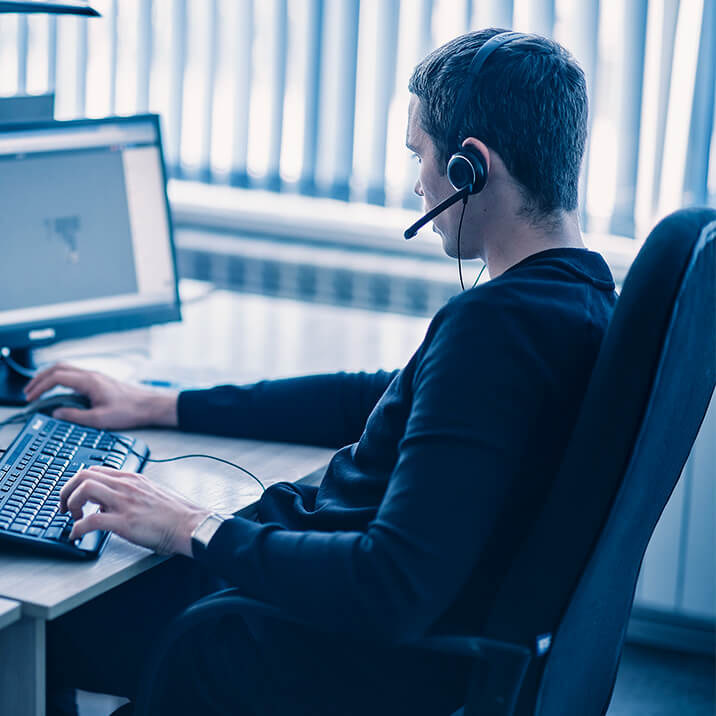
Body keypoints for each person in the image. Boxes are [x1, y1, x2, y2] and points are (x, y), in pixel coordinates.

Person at [35, 28, 617, 716]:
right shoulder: (579, 301)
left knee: (44, 620)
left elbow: (390, 588)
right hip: (322, 611)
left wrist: (190, 524)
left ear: (471, 170)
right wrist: (161, 405)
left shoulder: (496, 329)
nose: (415, 183)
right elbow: (368, 399)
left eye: (419, 156)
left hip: (298, 642)